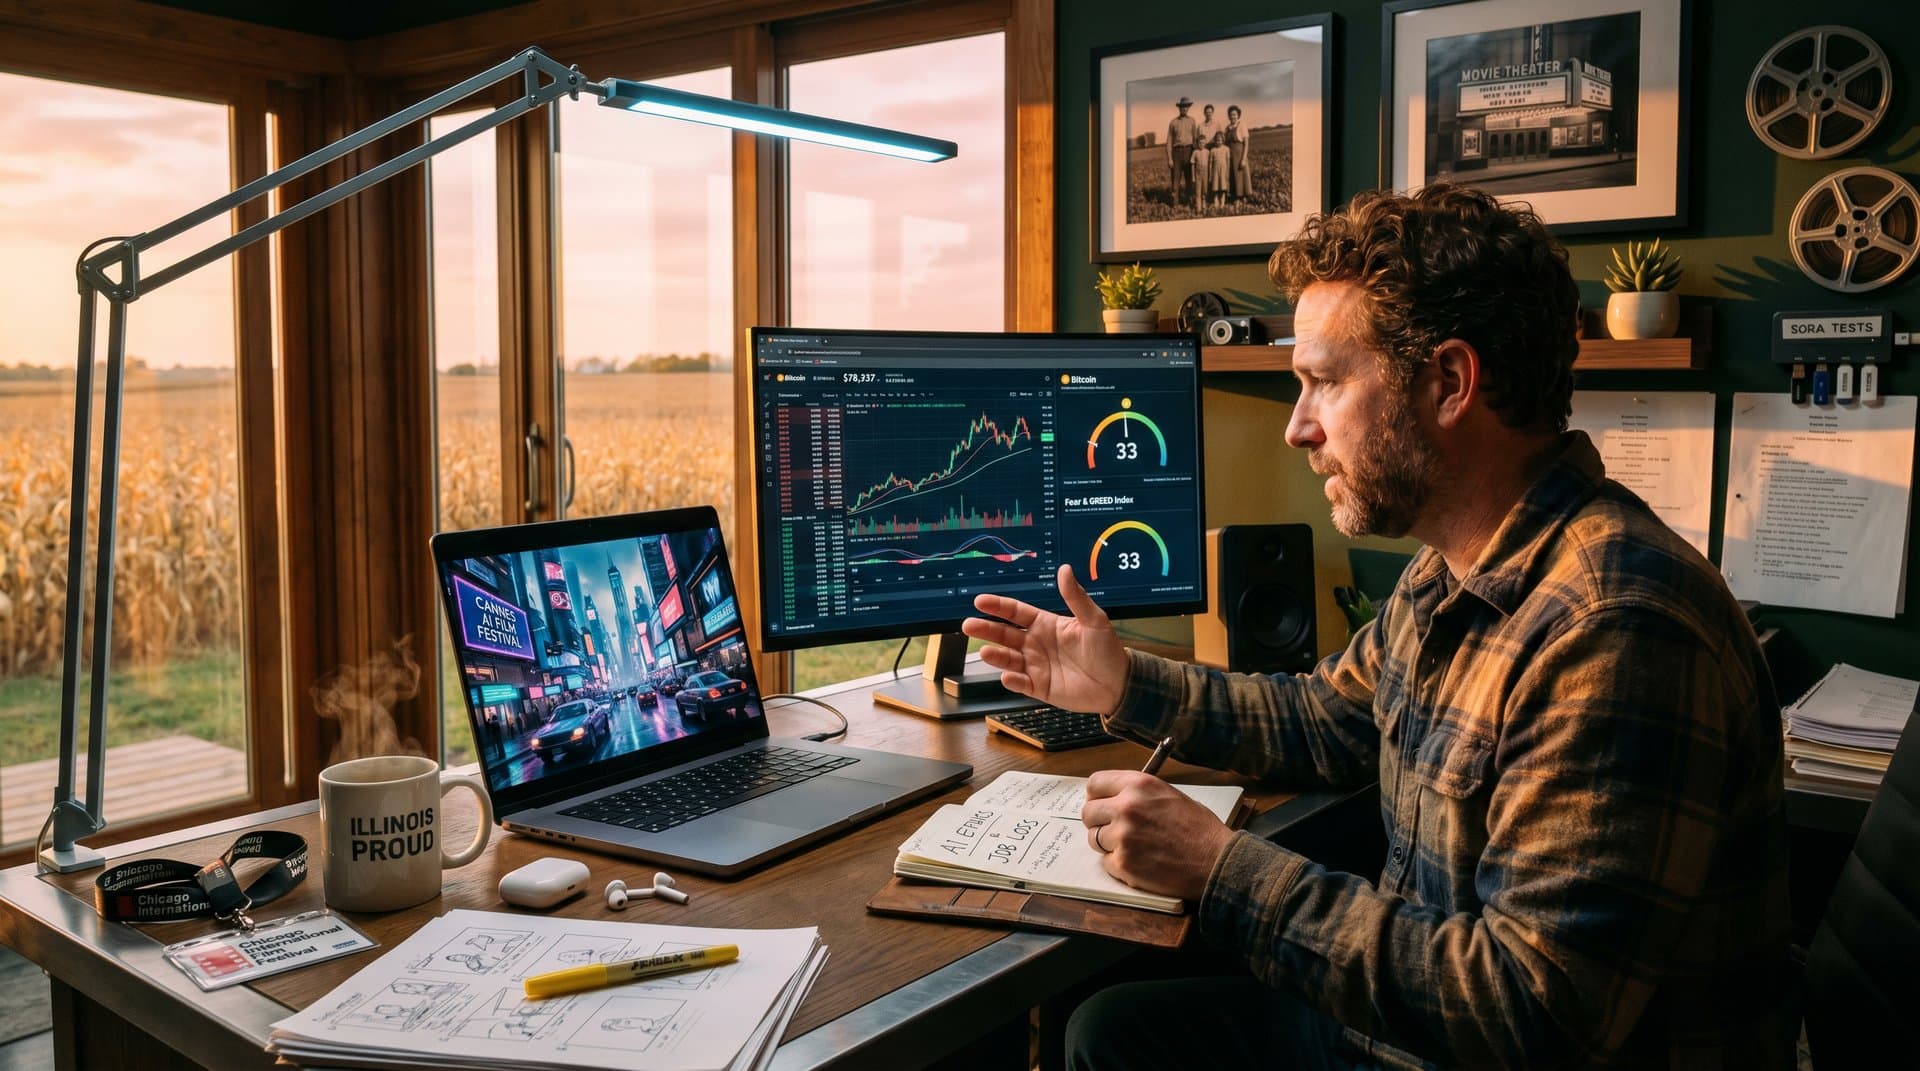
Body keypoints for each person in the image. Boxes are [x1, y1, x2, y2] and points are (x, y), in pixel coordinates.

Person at [962, 185, 1791, 1069]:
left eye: (1323, 382)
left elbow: (1530, 1013)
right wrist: (1125, 682)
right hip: (1404, 1028)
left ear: (1450, 382)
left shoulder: (1614, 627)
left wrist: (1220, 867)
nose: (1297, 429)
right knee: (1108, 1027)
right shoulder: (1456, 566)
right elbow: (1325, 716)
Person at [1165, 97, 1199, 208]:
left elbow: (1195, 139)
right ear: (1179, 108)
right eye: (1182, 107)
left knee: (1189, 179)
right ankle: (1175, 204)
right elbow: (1169, 141)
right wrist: (1170, 158)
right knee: (1175, 180)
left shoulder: (1192, 121)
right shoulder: (1173, 122)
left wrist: (1195, 155)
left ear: (1188, 108)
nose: (1184, 109)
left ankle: (1189, 202)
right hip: (1176, 153)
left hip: (1189, 151)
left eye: (1186, 107)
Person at [1194, 104, 1223, 212]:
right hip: (1205, 150)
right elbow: (1198, 140)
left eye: (1210, 112)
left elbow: (1221, 136)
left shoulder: (1217, 123)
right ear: (1204, 113)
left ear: (1213, 113)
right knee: (1206, 174)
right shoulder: (1200, 126)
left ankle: (1214, 197)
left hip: (1215, 148)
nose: (1208, 114)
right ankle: (1207, 199)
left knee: (1214, 174)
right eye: (1207, 112)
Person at [1224, 105, 1252, 204]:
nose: (1233, 116)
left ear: (1238, 115)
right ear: (1229, 116)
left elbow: (1246, 143)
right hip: (1231, 156)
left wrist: (1243, 159)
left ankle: (1243, 197)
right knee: (1233, 176)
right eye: (1231, 114)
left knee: (1241, 176)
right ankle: (1236, 197)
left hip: (1239, 154)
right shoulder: (1227, 128)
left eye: (1235, 114)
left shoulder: (1242, 125)